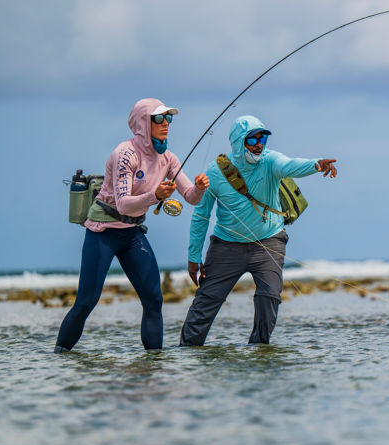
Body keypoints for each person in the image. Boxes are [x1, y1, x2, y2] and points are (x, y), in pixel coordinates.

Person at [55, 98, 210, 353]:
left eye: (168, 118)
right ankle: (59, 356)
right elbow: (124, 204)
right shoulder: (124, 154)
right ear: (142, 123)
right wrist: (156, 196)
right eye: (158, 118)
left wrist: (200, 188)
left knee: (154, 300)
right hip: (102, 232)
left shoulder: (168, 159)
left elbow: (190, 196)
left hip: (132, 234)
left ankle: (154, 364)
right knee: (86, 301)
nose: (166, 124)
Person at [180, 115, 337, 345]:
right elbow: (201, 216)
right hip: (226, 247)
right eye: (252, 139)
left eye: (262, 138)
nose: (259, 144)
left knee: (269, 297)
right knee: (206, 301)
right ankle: (187, 351)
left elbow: (290, 165)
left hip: (269, 241)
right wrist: (194, 257)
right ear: (238, 142)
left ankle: (259, 349)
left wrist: (316, 164)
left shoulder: (270, 161)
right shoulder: (215, 173)